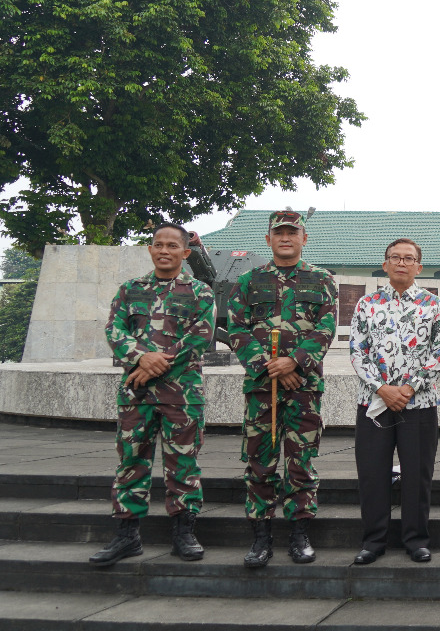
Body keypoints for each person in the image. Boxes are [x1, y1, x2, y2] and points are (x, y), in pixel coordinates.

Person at [91, 223, 216, 567]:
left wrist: (153, 365)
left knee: (183, 464)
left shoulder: (200, 293)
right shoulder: (130, 290)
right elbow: (114, 329)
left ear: (185, 252)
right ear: (150, 249)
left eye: (172, 246)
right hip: (137, 395)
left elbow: (199, 337)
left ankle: (184, 533)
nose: (164, 251)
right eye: (158, 244)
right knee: (131, 462)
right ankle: (126, 536)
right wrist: (139, 358)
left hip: (182, 396)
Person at [226, 209, 337, 568]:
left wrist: (295, 363)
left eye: (293, 232)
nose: (286, 238)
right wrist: (269, 368)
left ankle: (300, 532)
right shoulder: (247, 281)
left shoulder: (321, 280)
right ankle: (260, 536)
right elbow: (237, 330)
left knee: (300, 461)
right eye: (279, 233)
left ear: (304, 238)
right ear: (268, 240)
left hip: (305, 387)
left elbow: (326, 328)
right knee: (260, 462)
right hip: (262, 388)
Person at [348, 238, 440, 565]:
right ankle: (373, 541)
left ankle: (416, 539)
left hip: (418, 404)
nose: (402, 263)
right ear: (386, 263)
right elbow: (357, 351)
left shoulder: (433, 304)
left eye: (409, 258)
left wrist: (409, 387)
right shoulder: (367, 304)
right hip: (374, 404)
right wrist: (382, 388)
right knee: (372, 473)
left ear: (419, 266)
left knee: (418, 473)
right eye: (396, 258)